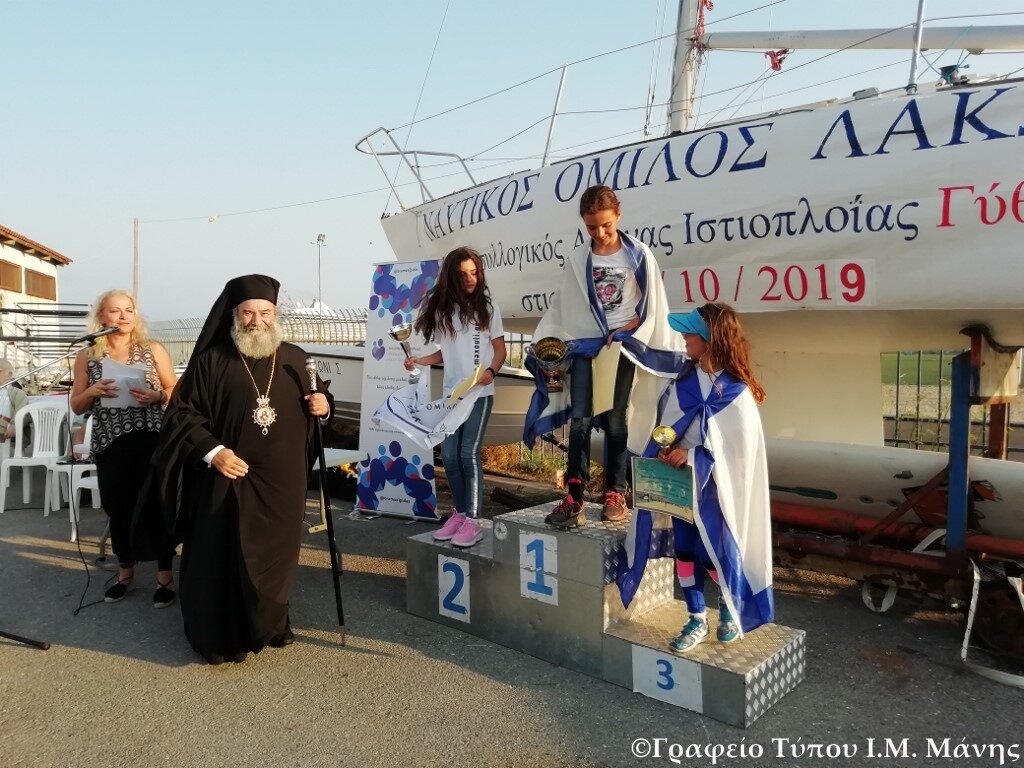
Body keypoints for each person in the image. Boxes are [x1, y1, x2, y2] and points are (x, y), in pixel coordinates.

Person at [151, 274, 332, 665]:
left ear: (275, 314)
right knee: (223, 553)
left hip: (282, 479)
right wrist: (214, 452)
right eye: (248, 313)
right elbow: (181, 414)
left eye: (265, 313)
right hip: (228, 475)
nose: (257, 321)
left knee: (277, 555)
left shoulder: (295, 358)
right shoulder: (212, 361)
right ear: (234, 315)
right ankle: (221, 637)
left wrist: (324, 406)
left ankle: (271, 623)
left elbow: (319, 398)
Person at [616, 303, 774, 653]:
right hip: (682, 487)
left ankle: (728, 608)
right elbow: (669, 424)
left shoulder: (736, 392)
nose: (684, 337)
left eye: (690, 332)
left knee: (712, 552)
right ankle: (696, 617)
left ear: (710, 339)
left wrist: (692, 456)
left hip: (718, 493)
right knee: (685, 550)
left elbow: (739, 452)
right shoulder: (684, 381)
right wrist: (664, 447)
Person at [524, 185, 684, 528]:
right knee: (580, 420)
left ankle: (615, 492)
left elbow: (651, 306)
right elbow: (565, 306)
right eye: (591, 227)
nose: (599, 233)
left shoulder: (639, 255)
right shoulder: (579, 259)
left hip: (621, 348)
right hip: (586, 348)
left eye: (606, 225)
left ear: (619, 216)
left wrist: (630, 325)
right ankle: (574, 496)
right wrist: (547, 340)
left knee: (615, 421)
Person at [69, 290, 178, 606]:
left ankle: (165, 576)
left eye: (129, 310)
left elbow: (174, 388)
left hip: (151, 438)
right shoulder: (87, 356)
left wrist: (158, 396)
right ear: (101, 316)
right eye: (115, 310)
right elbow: (77, 405)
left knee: (156, 504)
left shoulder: (152, 349)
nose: (123, 316)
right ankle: (125, 572)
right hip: (110, 442)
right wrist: (93, 391)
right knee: (118, 507)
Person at [404, 247, 507, 547]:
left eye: (474, 272)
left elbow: (500, 349)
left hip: (480, 393)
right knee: (448, 455)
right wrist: (420, 361)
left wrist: (491, 372)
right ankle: (460, 514)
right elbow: (444, 353)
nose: (470, 279)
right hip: (452, 397)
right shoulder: (442, 312)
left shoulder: (488, 307)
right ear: (451, 277)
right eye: (463, 275)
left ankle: (473, 520)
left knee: (467, 454)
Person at [0, 359, 28, 450]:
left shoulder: (18, 393)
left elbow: (22, 412)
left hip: (7, 430)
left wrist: (14, 425)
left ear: (10, 374)